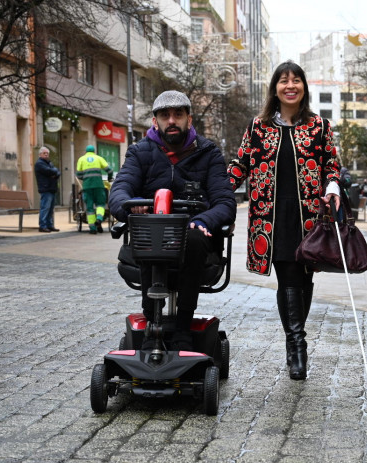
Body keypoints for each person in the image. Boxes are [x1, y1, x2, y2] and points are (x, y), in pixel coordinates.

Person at [227, 60, 341, 381]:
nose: (290, 86)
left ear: (304, 87)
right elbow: (241, 164)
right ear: (275, 88)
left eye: (296, 81)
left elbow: (331, 165)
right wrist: (218, 191)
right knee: (289, 278)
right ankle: (297, 347)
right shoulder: (258, 126)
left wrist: (332, 186)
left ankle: (295, 343)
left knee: (305, 281)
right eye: (283, 81)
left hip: (309, 219)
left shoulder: (319, 126)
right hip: (271, 220)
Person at [109, 90, 236, 351]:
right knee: (151, 231)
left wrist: (203, 220)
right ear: (155, 121)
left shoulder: (209, 153)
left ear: (189, 119)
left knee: (191, 235)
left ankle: (182, 330)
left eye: (178, 114)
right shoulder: (139, 152)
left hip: (195, 240)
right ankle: (151, 321)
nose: (171, 120)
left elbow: (225, 202)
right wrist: (132, 208)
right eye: (165, 115)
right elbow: (119, 191)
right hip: (152, 237)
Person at [76, 144, 113, 234]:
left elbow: (78, 174)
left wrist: (85, 178)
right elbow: (110, 170)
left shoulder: (81, 159)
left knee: (89, 208)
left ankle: (92, 229)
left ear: (86, 151)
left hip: (87, 186)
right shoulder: (98, 158)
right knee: (100, 204)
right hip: (99, 186)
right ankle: (99, 219)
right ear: (94, 151)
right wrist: (109, 178)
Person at [34, 146, 61, 232]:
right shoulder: (39, 163)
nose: (46, 155)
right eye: (44, 153)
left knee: (50, 209)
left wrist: (54, 172)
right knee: (45, 208)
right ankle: (42, 226)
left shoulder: (49, 163)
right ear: (40, 154)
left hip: (51, 188)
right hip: (45, 188)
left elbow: (57, 172)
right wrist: (54, 172)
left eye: (47, 153)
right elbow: (49, 171)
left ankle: (50, 225)